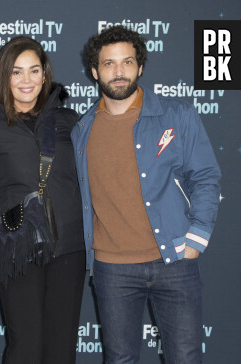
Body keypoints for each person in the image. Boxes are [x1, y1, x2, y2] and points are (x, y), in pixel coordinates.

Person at [72, 25, 221, 363]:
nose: (119, 71)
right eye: (109, 64)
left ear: (140, 67)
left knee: (185, 357)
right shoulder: (82, 130)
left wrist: (196, 239)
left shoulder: (176, 114)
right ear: (94, 72)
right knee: (120, 359)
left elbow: (206, 176)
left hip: (175, 261)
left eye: (127, 62)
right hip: (112, 268)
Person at [0, 36, 86, 364]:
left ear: (45, 75)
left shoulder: (69, 121)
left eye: (34, 71)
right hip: (18, 249)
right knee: (26, 347)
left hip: (70, 248)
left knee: (61, 350)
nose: (26, 80)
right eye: (17, 72)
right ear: (3, 76)